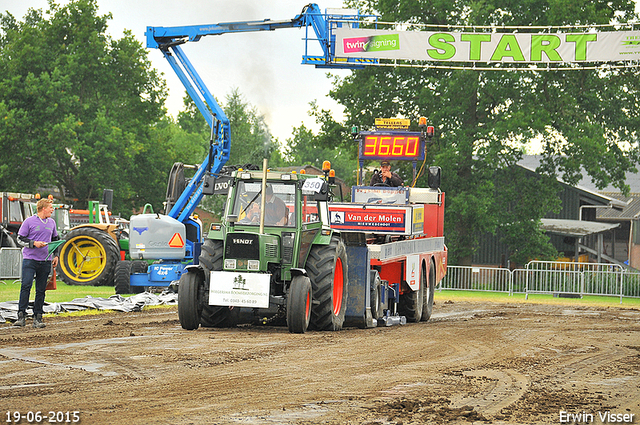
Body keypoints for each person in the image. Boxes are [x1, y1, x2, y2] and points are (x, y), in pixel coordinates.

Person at [14, 198, 59, 328]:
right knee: (26, 286)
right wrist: (33, 244)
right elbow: (20, 238)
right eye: (51, 207)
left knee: (41, 290)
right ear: (43, 208)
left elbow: (55, 240)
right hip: (30, 260)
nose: (52, 209)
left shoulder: (52, 223)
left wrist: (56, 255)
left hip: (45, 261)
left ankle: (38, 318)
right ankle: (21, 316)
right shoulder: (29, 221)